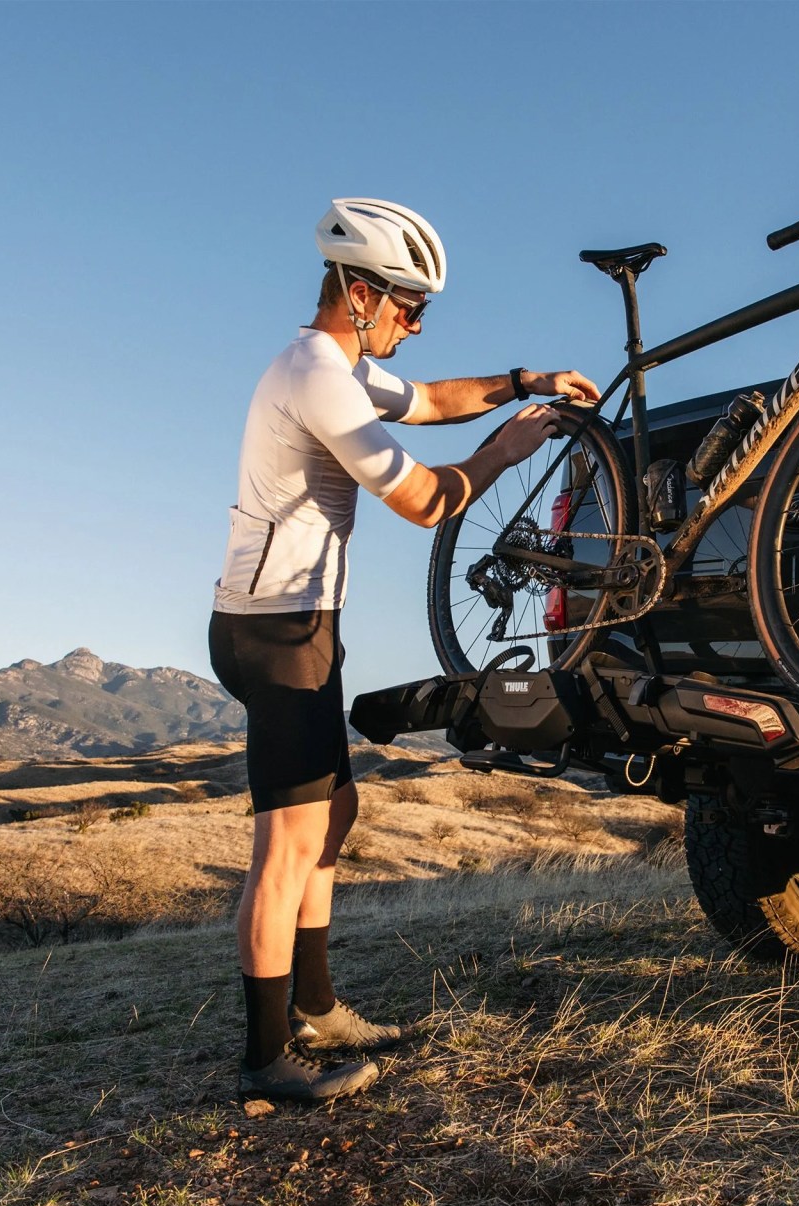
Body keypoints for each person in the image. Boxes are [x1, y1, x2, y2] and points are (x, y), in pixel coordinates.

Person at [209, 198, 599, 1105]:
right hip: (279, 635)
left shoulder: (342, 365)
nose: (416, 325)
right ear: (356, 291)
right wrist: (501, 455)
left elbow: (428, 403)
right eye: (407, 306)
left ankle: (314, 1006)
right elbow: (425, 499)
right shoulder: (316, 375)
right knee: (288, 848)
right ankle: (269, 1059)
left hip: (301, 622)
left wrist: (521, 380)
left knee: (331, 818)